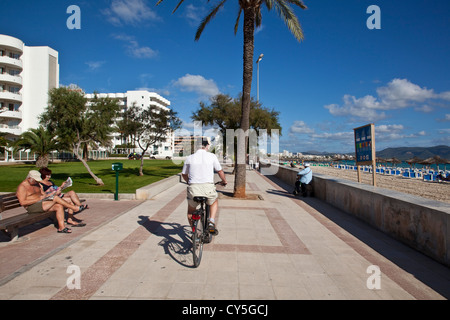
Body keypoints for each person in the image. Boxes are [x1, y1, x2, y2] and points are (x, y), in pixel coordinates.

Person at [16, 170, 87, 234]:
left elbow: (43, 194)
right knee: (55, 198)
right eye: (35, 180)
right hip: (32, 206)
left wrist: (48, 195)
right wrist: (39, 199)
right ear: (29, 178)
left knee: (59, 206)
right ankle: (74, 208)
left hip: (42, 202)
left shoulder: (37, 184)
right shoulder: (22, 187)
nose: (37, 182)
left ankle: (61, 228)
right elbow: (23, 202)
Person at [181, 137, 227, 235]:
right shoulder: (212, 156)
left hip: (194, 189)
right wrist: (224, 181)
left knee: (190, 212)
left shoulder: (190, 157)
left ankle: (194, 233)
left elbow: (184, 174)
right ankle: (211, 222)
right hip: (208, 188)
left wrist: (189, 181)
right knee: (214, 201)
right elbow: (220, 171)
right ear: (206, 146)